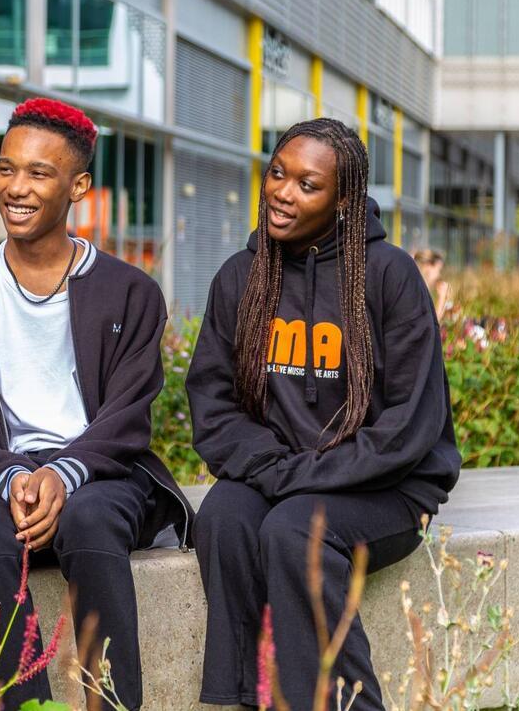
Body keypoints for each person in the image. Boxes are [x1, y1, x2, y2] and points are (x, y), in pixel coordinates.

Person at [0, 97, 194, 711]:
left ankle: (111, 705)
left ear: (78, 186)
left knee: (90, 524)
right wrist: (12, 475)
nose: (17, 187)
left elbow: (128, 413)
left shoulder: (131, 293)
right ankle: (27, 705)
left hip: (99, 472)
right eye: (7, 168)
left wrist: (64, 473)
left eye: (39, 173)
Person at [186, 118, 460, 711]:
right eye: (278, 174)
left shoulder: (388, 277)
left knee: (295, 533)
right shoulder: (243, 275)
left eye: (307, 185)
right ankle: (246, 696)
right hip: (283, 474)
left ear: (343, 201)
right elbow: (213, 404)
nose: (283, 192)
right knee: (223, 520)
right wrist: (277, 471)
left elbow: (408, 429)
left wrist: (297, 479)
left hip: (387, 487)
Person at [413, 248, 453, 322]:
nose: (440, 275)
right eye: (439, 270)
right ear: (428, 266)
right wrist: (442, 298)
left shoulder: (420, 287)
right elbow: (432, 325)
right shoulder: (419, 291)